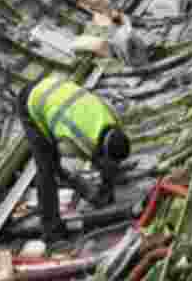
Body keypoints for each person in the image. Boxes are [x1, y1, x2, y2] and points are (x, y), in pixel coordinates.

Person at [17, 73, 131, 242]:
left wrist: (108, 183)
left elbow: (105, 158)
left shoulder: (114, 121)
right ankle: (51, 231)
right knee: (47, 169)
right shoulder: (73, 140)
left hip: (53, 85)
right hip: (32, 102)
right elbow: (71, 155)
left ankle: (100, 195)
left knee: (98, 158)